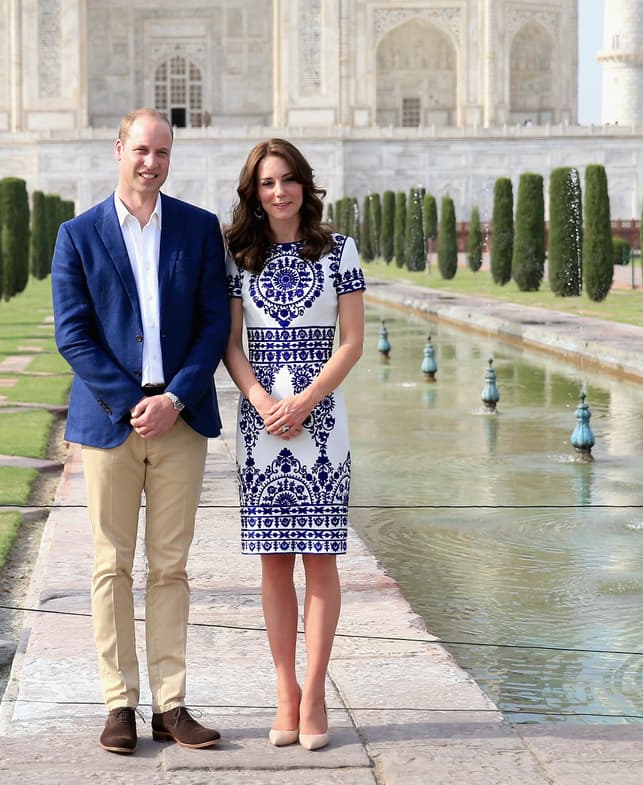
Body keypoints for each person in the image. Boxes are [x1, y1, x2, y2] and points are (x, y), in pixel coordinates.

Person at [50, 108, 230, 754]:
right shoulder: (78, 235)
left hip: (180, 420)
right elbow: (74, 334)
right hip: (110, 421)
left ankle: (171, 703)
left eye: (162, 150)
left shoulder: (199, 229)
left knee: (171, 565)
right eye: (141, 149)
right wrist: (135, 402)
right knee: (111, 564)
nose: (150, 161)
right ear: (118, 148)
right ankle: (118, 701)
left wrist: (176, 396)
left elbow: (214, 324)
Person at [222, 139, 365, 751]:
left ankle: (315, 692)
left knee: (321, 561)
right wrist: (259, 398)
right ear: (254, 193)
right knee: (274, 565)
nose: (278, 192)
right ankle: (285, 692)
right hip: (261, 425)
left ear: (305, 185)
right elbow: (231, 343)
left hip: (321, 423)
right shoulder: (239, 256)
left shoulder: (339, 252)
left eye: (287, 180)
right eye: (266, 183)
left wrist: (304, 401)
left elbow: (352, 342)